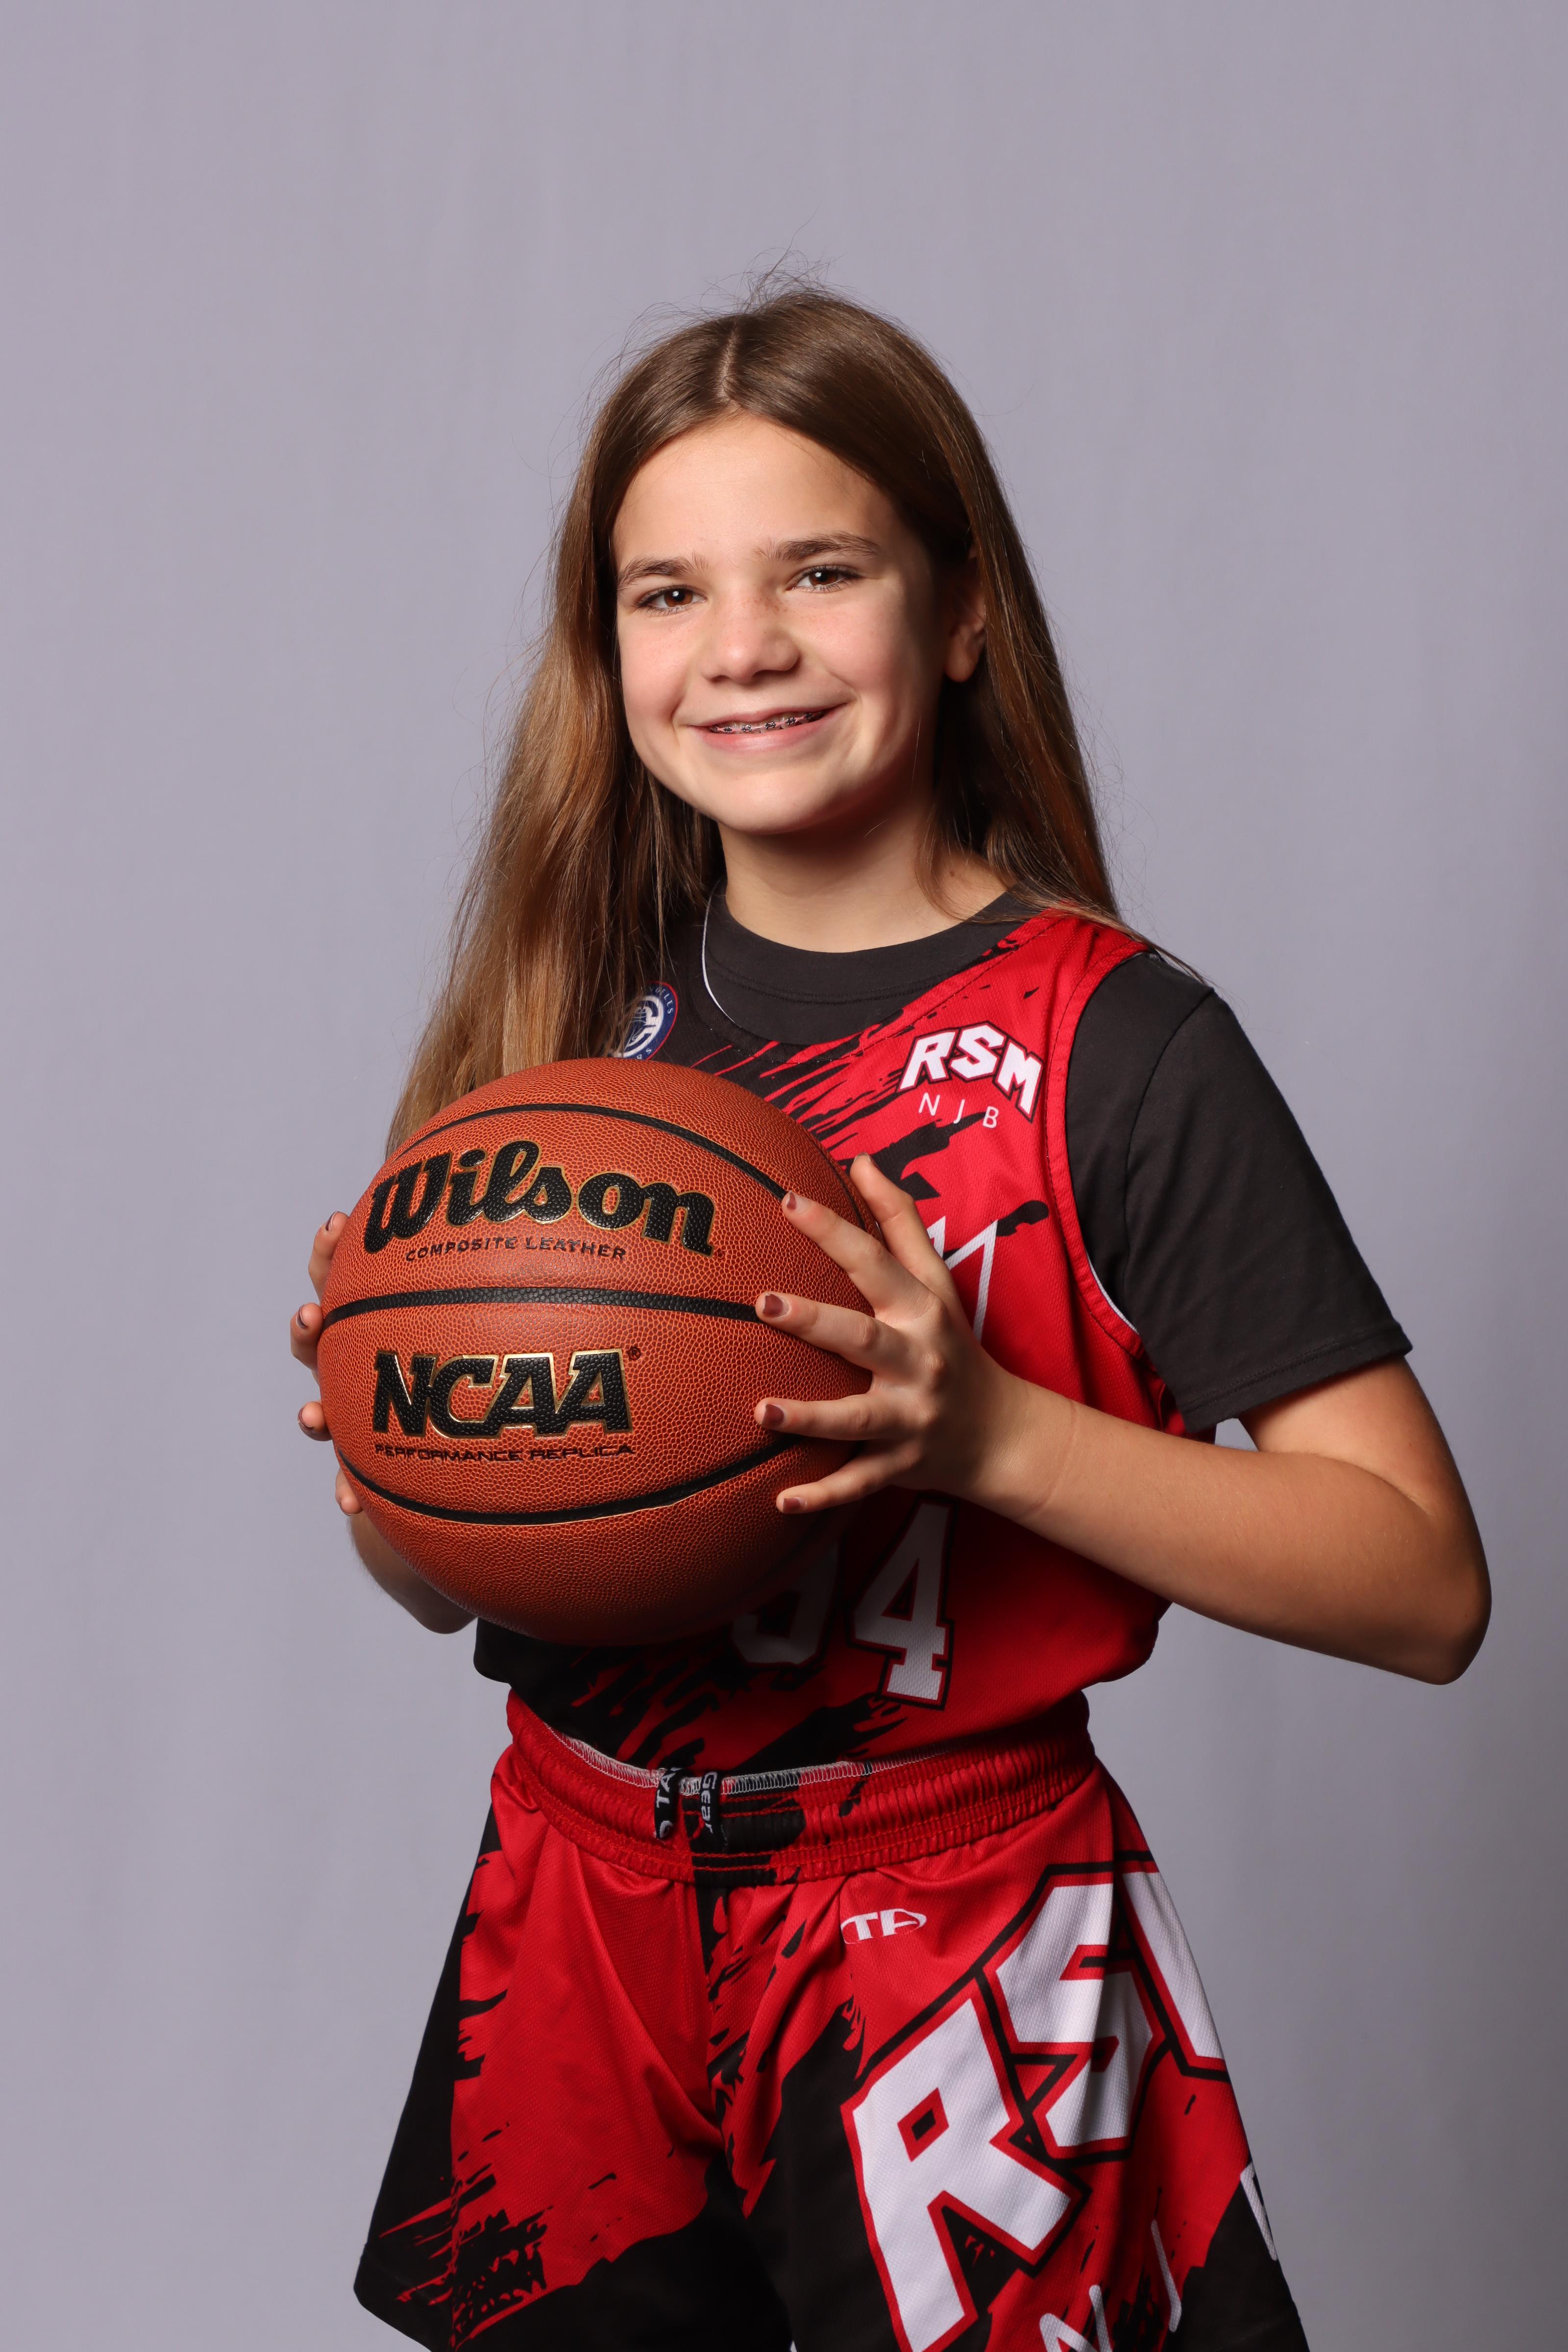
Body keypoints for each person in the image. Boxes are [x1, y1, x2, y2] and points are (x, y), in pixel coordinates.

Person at [293, 286, 1488, 2352]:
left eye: (819, 571)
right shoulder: (572, 1025)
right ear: (607, 651)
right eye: (668, 592)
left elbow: (1420, 1586)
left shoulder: (1117, 1049)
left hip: (952, 1918)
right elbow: (445, 1582)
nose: (740, 645)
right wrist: (398, 1444)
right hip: (579, 1898)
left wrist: (993, 1435)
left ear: (959, 614)